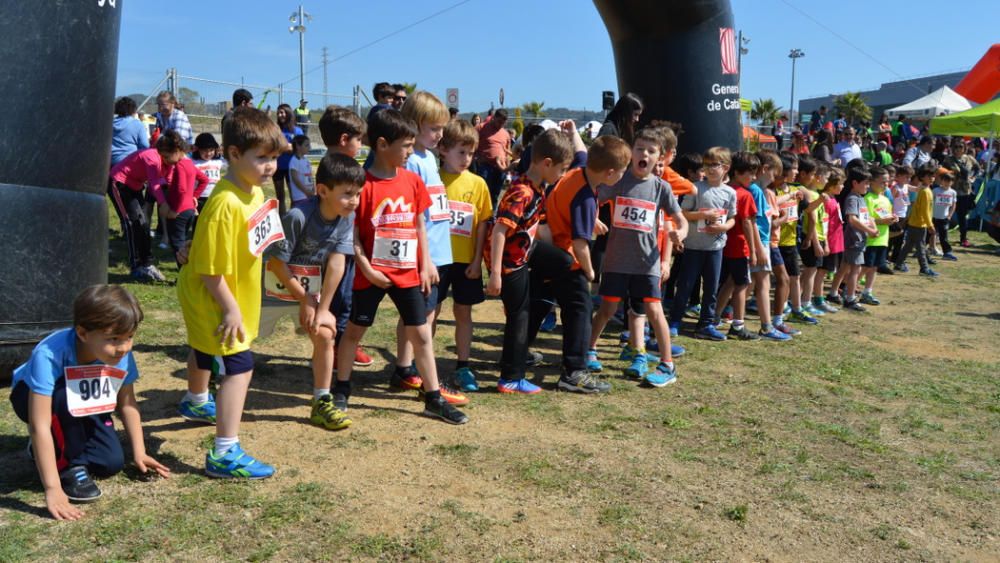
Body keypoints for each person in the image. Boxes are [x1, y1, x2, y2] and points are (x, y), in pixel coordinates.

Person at [333, 109, 469, 424]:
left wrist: (425, 263)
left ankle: (433, 397)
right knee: (354, 331)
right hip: (372, 274)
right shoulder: (361, 184)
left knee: (421, 334)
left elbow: (420, 226)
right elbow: (351, 233)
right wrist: (366, 267)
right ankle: (341, 388)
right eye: (405, 146)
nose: (411, 152)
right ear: (382, 144)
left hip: (408, 272)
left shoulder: (411, 180)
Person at [176, 107, 287, 479]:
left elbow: (263, 243)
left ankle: (195, 401)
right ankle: (224, 452)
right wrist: (231, 310)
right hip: (215, 295)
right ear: (234, 154)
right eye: (261, 158)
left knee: (205, 351)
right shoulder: (225, 203)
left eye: (273, 158)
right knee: (239, 366)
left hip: (231, 292)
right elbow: (209, 270)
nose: (270, 166)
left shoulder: (254, 192)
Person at [8, 285, 170, 520]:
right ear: (83, 333)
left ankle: (54, 447)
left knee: (110, 463)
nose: (124, 347)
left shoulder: (120, 354)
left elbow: (126, 404)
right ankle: (66, 464)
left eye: (130, 337)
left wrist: (139, 451)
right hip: (37, 399)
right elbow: (38, 424)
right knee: (63, 396)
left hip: (86, 401)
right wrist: (52, 489)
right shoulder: (49, 354)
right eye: (114, 338)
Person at [259, 153, 363, 429]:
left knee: (326, 334)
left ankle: (321, 401)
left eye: (358, 194)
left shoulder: (345, 216)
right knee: (238, 336)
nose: (354, 200)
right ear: (322, 191)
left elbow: (338, 263)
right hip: (269, 292)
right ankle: (213, 379)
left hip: (307, 293)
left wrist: (323, 308)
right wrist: (306, 299)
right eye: (348, 194)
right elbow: (277, 263)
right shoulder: (297, 216)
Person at [588, 128, 687, 385]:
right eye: (640, 148)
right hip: (617, 261)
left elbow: (680, 220)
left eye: (651, 151)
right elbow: (593, 197)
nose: (644, 154)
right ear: (631, 152)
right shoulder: (619, 181)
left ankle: (667, 365)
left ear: (659, 158)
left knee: (654, 310)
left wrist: (680, 234)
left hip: (647, 263)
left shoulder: (661, 188)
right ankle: (589, 349)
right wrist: (594, 219)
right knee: (607, 308)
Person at [388, 91, 467, 404]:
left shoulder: (428, 159)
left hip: (438, 253)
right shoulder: (413, 163)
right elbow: (415, 215)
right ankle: (421, 375)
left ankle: (405, 368)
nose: (440, 134)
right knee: (422, 318)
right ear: (415, 124)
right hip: (426, 257)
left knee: (421, 315)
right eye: (434, 128)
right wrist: (424, 259)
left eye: (441, 129)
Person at [540, 135, 631, 391]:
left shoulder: (579, 169)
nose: (622, 176)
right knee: (580, 312)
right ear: (610, 173)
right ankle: (574, 372)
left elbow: (580, 150)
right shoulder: (587, 199)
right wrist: (590, 272)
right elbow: (581, 243)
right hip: (568, 259)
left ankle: (519, 353)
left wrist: (573, 133)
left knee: (539, 306)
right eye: (622, 172)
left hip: (550, 252)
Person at [485, 130, 572, 394]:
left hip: (525, 251)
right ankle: (510, 377)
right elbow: (499, 231)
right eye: (562, 169)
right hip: (510, 264)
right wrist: (496, 274)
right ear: (546, 163)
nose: (563, 174)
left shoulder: (538, 188)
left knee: (564, 261)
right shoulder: (522, 192)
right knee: (518, 317)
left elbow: (538, 228)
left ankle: (539, 292)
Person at [438, 120, 492, 392]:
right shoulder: (432, 179)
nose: (467, 159)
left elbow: (483, 223)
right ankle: (416, 363)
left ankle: (463, 364)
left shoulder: (479, 184)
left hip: (466, 262)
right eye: (461, 152)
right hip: (437, 260)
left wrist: (476, 260)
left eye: (471, 154)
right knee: (429, 312)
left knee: (463, 312)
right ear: (443, 149)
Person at [318, 105, 373, 368]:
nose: (361, 145)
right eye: (358, 139)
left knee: (347, 296)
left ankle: (343, 344)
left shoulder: (344, 166)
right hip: (334, 247)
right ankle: (338, 348)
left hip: (348, 243)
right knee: (342, 298)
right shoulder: (332, 169)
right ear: (344, 139)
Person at [669, 147, 737, 341]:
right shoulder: (695, 187)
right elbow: (682, 214)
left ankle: (706, 323)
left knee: (711, 288)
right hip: (693, 247)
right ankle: (674, 321)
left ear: (726, 168)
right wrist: (703, 215)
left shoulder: (730, 192)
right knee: (685, 285)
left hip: (715, 248)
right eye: (706, 165)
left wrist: (724, 228)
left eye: (714, 165)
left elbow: (732, 218)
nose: (709, 169)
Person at [108, 131, 188, 282]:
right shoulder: (152, 158)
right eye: (179, 155)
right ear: (169, 152)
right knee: (132, 224)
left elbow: (168, 181)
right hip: (120, 184)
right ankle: (136, 267)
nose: (181, 160)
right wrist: (163, 204)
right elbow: (155, 183)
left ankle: (147, 264)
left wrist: (178, 201)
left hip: (136, 186)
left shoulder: (169, 162)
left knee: (144, 224)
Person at [714, 151, 762, 340]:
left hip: (722, 245)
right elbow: (748, 223)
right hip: (739, 246)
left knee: (729, 282)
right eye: (751, 172)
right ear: (738, 172)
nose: (754, 177)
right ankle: (738, 324)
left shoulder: (724, 190)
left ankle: (714, 316)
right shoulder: (745, 195)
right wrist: (753, 250)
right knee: (742, 284)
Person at [749, 150, 791, 340]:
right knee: (763, 284)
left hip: (761, 243)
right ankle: (767, 326)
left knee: (742, 282)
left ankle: (716, 317)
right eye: (774, 175)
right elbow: (754, 223)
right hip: (762, 243)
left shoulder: (756, 190)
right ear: (765, 169)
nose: (775, 180)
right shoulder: (757, 191)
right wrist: (759, 248)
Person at [159, 152, 210, 268]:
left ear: (177, 151)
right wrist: (193, 196)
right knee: (183, 243)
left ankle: (185, 273)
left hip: (179, 212)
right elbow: (204, 179)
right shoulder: (189, 163)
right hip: (190, 210)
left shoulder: (180, 165)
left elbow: (181, 189)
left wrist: (175, 210)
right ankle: (188, 271)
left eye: (166, 156)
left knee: (178, 244)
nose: (165, 160)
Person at [840, 166, 878, 311]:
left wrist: (872, 227)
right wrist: (869, 230)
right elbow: (852, 219)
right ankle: (850, 298)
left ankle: (840, 293)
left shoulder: (860, 198)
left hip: (860, 239)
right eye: (865, 184)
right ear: (855, 183)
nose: (868, 187)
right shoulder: (852, 199)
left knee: (852, 268)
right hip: (854, 239)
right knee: (855, 269)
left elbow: (866, 217)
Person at [860, 165, 898, 305]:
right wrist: (883, 221)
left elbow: (886, 216)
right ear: (872, 181)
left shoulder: (886, 199)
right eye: (882, 181)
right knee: (866, 266)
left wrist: (892, 218)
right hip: (871, 239)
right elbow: (866, 219)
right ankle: (848, 288)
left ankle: (867, 292)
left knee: (874, 267)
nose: (886, 184)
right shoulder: (868, 198)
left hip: (883, 238)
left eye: (887, 181)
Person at [894, 165, 938, 277]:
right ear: (922, 177)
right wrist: (930, 224)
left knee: (908, 245)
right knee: (921, 247)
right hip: (919, 223)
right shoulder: (925, 192)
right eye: (929, 176)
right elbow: (924, 211)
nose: (932, 178)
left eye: (933, 176)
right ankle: (924, 268)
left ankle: (898, 264)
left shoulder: (925, 190)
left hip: (915, 222)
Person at [816, 168, 846, 311]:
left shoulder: (833, 198)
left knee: (825, 270)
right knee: (821, 272)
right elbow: (823, 222)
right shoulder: (826, 200)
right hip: (829, 241)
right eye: (841, 184)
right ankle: (818, 298)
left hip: (836, 240)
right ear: (832, 184)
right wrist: (826, 243)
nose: (843, 187)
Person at [943, 140, 981, 248]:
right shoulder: (948, 159)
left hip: (965, 192)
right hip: (950, 190)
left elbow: (977, 168)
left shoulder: (969, 158)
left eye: (960, 146)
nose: (958, 149)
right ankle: (941, 236)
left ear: (964, 148)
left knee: (962, 216)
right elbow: (943, 171)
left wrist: (973, 177)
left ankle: (963, 238)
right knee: (945, 214)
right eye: (956, 146)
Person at [475, 108, 511, 204]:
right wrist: (477, 157)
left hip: (500, 169)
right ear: (494, 118)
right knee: (483, 193)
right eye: (499, 121)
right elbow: (472, 143)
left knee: (495, 195)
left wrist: (508, 171)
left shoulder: (506, 134)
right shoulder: (481, 128)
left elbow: (508, 151)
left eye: (503, 123)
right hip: (486, 167)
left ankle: (492, 217)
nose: (500, 125)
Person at [274, 103, 304, 216]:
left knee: (294, 196)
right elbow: (274, 147)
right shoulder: (276, 130)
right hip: (278, 167)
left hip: (292, 168)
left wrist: (284, 147)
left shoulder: (297, 131)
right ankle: (281, 220)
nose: (280, 115)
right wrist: (289, 146)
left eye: (282, 112)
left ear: (288, 113)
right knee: (280, 196)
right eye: (278, 113)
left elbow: (299, 149)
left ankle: (292, 219)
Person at [191, 133, 225, 214]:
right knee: (198, 221)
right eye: (204, 150)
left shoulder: (218, 161)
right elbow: (181, 155)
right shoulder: (193, 162)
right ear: (197, 149)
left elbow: (234, 161)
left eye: (211, 150)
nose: (208, 153)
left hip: (215, 196)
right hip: (199, 198)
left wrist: (224, 149)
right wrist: (190, 148)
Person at [111, 96, 149, 166]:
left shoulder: (110, 123)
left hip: (111, 162)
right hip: (130, 162)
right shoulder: (137, 124)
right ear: (133, 111)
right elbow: (145, 146)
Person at [931, 171, 958, 261]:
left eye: (949, 181)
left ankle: (947, 252)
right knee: (928, 234)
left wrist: (950, 215)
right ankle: (921, 250)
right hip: (933, 217)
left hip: (944, 218)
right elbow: (930, 202)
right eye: (945, 180)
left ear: (952, 182)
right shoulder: (935, 190)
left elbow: (953, 205)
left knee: (944, 237)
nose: (947, 183)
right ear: (941, 181)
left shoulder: (953, 192)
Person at [287, 135, 315, 208]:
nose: (310, 147)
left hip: (309, 195)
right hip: (300, 197)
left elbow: (310, 176)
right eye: (306, 145)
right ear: (298, 146)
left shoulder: (306, 160)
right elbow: (295, 179)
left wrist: (313, 189)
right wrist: (306, 191)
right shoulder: (294, 161)